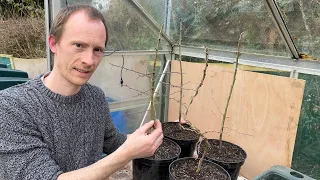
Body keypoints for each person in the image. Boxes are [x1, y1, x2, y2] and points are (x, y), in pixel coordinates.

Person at [0, 4, 163, 180]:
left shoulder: (96, 98)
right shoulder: (12, 107)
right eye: (79, 45)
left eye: (98, 50)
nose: (89, 60)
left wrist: (163, 131)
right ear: (53, 43)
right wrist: (124, 155)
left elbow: (114, 142)